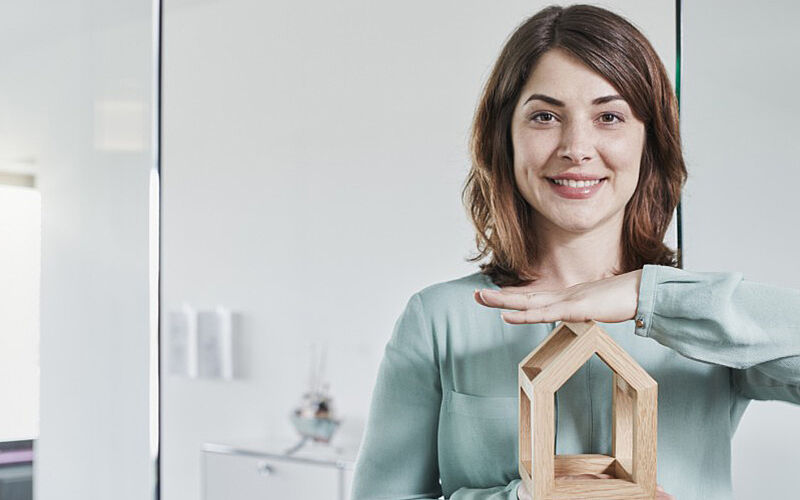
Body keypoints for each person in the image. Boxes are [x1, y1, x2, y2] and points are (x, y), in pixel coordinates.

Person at [350, 4, 800, 499]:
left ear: (649, 142)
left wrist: (648, 296)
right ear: (506, 137)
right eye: (545, 116)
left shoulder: (707, 321)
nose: (577, 147)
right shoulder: (439, 319)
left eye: (609, 116)